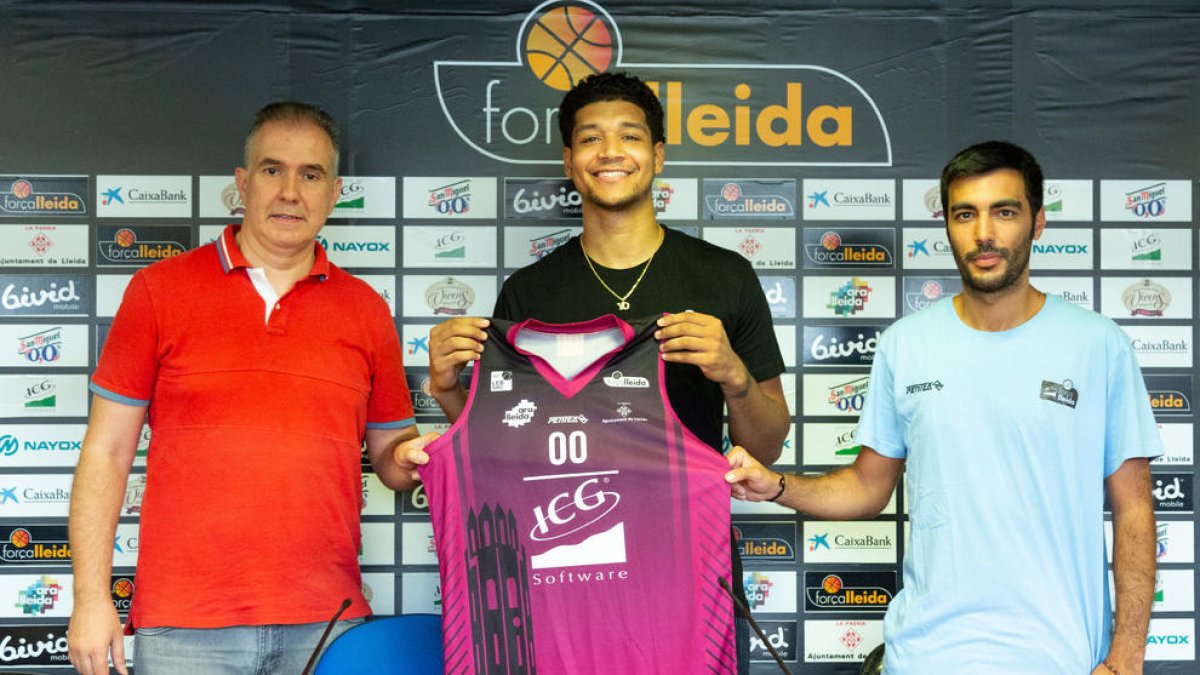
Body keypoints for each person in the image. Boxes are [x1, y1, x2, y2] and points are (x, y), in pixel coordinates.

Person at [727, 141, 1159, 674]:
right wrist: (776, 486)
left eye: (1004, 211)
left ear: (1038, 222)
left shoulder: (1098, 344)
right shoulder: (906, 344)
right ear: (948, 226)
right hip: (927, 658)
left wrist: (1127, 657)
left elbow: (1135, 508)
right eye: (965, 214)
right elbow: (866, 487)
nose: (984, 233)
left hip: (1061, 658)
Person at [427, 72, 790, 673]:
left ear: (658, 156)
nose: (611, 152)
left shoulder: (725, 277)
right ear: (570, 162)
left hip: (688, 570)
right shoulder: (528, 291)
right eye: (591, 139)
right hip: (565, 578)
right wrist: (447, 392)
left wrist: (733, 375)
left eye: (629, 136)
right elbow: (497, 446)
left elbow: (767, 443)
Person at [67, 101, 435, 675]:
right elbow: (106, 453)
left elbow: (391, 459)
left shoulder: (366, 310)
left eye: (310, 174)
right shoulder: (158, 290)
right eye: (272, 170)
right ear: (242, 183)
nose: (291, 191)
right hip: (185, 627)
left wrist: (423, 452)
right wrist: (90, 599)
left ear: (334, 192)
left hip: (327, 621)